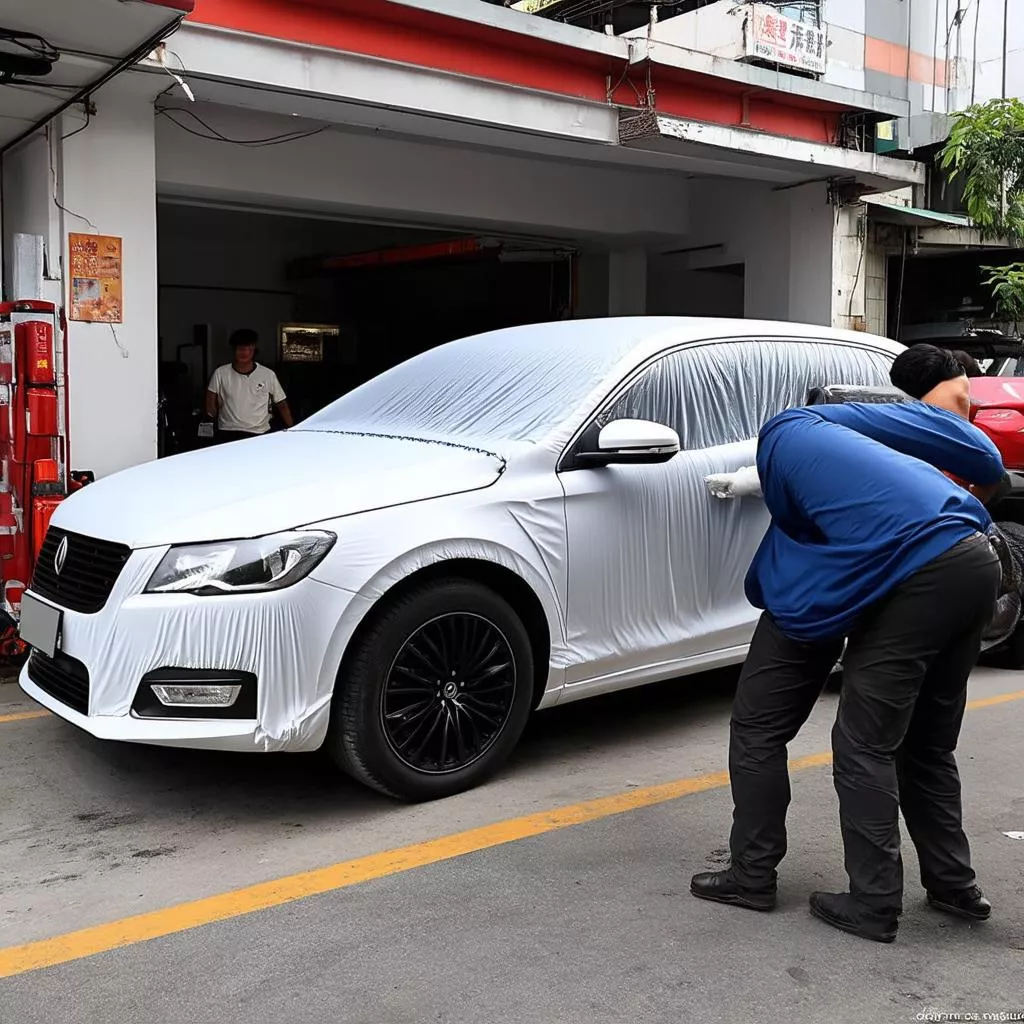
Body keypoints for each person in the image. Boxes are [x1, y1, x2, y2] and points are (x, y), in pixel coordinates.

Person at [690, 389, 1003, 943]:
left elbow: (808, 583)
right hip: (975, 561)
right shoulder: (880, 468)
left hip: (921, 571)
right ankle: (953, 884)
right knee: (926, 743)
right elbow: (986, 461)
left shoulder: (793, 427)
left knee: (852, 742)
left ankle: (852, 898)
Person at [205, 329, 293, 443]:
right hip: (228, 432)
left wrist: (292, 430)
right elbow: (210, 403)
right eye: (240, 349)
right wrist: (213, 418)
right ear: (234, 350)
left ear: (254, 350)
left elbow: (281, 404)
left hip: (259, 433)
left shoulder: (267, 374)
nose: (244, 353)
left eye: (248, 349)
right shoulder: (220, 373)